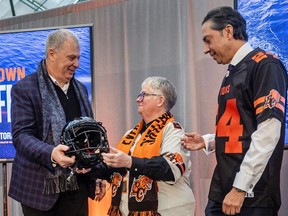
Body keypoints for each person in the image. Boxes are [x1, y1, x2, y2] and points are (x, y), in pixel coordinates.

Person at [181, 6, 287, 216]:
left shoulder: (266, 66)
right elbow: (242, 127)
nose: (205, 49)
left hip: (251, 195)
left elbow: (268, 132)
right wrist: (208, 141)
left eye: (208, 39)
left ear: (228, 31)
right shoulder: (233, 71)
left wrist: (241, 188)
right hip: (223, 187)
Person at [8, 29, 106, 216]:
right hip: (39, 192)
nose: (76, 64)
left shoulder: (80, 89)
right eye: (71, 58)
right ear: (51, 54)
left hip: (77, 187)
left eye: (78, 58)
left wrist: (97, 173)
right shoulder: (25, 89)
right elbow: (21, 136)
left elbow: (89, 138)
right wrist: (52, 153)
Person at [102, 76, 195, 215]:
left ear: (160, 100)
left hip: (168, 210)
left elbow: (170, 168)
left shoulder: (173, 130)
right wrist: (94, 169)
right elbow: (119, 173)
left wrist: (129, 161)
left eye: (143, 94)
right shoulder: (130, 134)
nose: (138, 99)